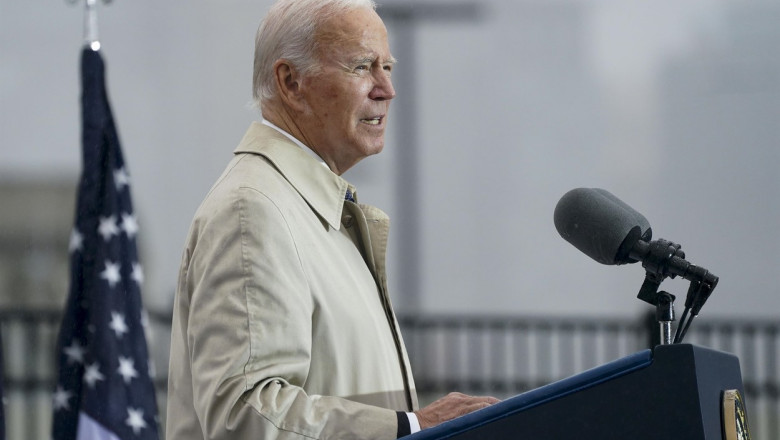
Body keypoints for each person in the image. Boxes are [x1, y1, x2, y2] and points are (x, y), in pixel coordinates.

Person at [166, 0, 498, 438]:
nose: (386, 88)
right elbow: (246, 415)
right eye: (362, 67)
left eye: (388, 67)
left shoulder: (299, 208)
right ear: (291, 82)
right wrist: (412, 426)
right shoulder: (253, 211)